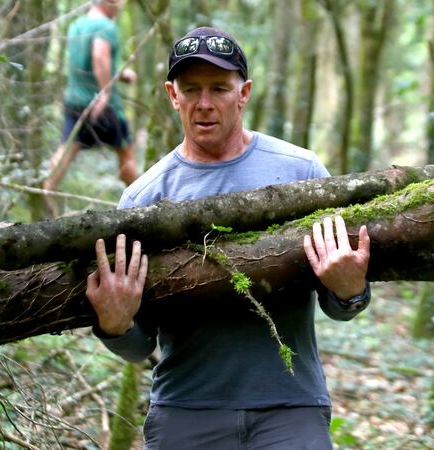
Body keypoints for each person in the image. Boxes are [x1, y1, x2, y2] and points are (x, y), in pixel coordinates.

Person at [85, 26, 372, 449]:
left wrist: (351, 290)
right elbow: (138, 345)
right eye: (191, 89)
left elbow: (341, 305)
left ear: (243, 93)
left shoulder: (301, 172)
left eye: (219, 88)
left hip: (290, 408)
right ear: (172, 95)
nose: (204, 103)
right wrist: (114, 324)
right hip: (186, 410)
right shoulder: (143, 199)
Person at [43, 0, 138, 216]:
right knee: (126, 157)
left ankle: (46, 197)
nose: (120, 6)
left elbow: (86, 62)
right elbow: (98, 54)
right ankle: (147, 204)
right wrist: (105, 93)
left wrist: (121, 75)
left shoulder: (76, 25)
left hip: (75, 101)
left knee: (65, 153)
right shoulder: (105, 26)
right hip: (104, 106)